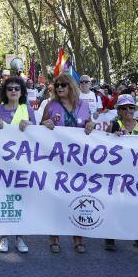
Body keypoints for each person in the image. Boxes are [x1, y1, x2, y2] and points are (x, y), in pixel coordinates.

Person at [41, 74, 90, 253]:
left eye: (63, 85)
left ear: (71, 87)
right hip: (56, 160)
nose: (59, 88)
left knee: (78, 198)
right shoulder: (51, 106)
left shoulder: (84, 106)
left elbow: (88, 125)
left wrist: (91, 125)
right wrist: (45, 124)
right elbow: (39, 129)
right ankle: (54, 237)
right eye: (57, 85)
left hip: (77, 161)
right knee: (56, 198)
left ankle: (78, 238)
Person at [0, 76, 34, 254]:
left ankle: (20, 236)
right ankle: (4, 236)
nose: (13, 91)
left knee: (20, 199)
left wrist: (28, 123)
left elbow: (38, 133)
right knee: (4, 198)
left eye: (17, 88)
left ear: (22, 92)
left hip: (22, 162)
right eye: (10, 88)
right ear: (5, 92)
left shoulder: (27, 109)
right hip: (2, 162)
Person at [104, 94, 138, 252]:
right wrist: (112, 137)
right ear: (119, 110)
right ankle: (110, 237)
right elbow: (103, 146)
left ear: (135, 109)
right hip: (117, 173)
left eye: (131, 107)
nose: (128, 110)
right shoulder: (114, 125)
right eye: (124, 108)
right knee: (116, 204)